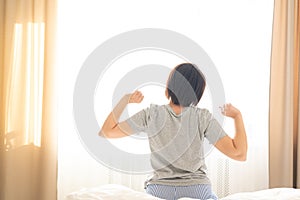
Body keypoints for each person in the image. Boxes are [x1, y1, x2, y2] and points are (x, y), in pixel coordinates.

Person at [99, 63, 247, 200]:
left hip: (159, 190)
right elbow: (239, 154)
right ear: (197, 93)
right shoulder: (203, 117)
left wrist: (125, 100)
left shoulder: (151, 114)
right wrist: (237, 116)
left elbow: (107, 132)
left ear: (170, 87)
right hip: (197, 189)